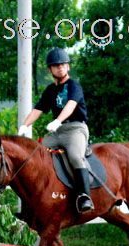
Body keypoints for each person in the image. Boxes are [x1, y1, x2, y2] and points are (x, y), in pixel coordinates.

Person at [18, 47, 94, 213]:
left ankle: (84, 197)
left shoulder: (74, 86)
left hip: (75, 128)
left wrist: (58, 121)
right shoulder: (50, 91)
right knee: (36, 154)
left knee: (75, 156)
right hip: (57, 132)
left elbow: (71, 105)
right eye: (56, 65)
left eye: (63, 64)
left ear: (68, 67)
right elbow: (37, 110)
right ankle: (39, 196)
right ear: (50, 69)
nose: (60, 67)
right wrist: (24, 125)